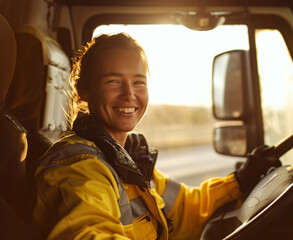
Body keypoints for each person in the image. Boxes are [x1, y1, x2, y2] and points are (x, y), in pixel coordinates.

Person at [32, 33, 280, 240]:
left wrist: (240, 180)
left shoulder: (128, 159)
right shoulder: (78, 166)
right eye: (113, 82)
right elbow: (88, 233)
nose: (129, 94)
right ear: (83, 90)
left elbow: (184, 209)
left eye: (139, 82)